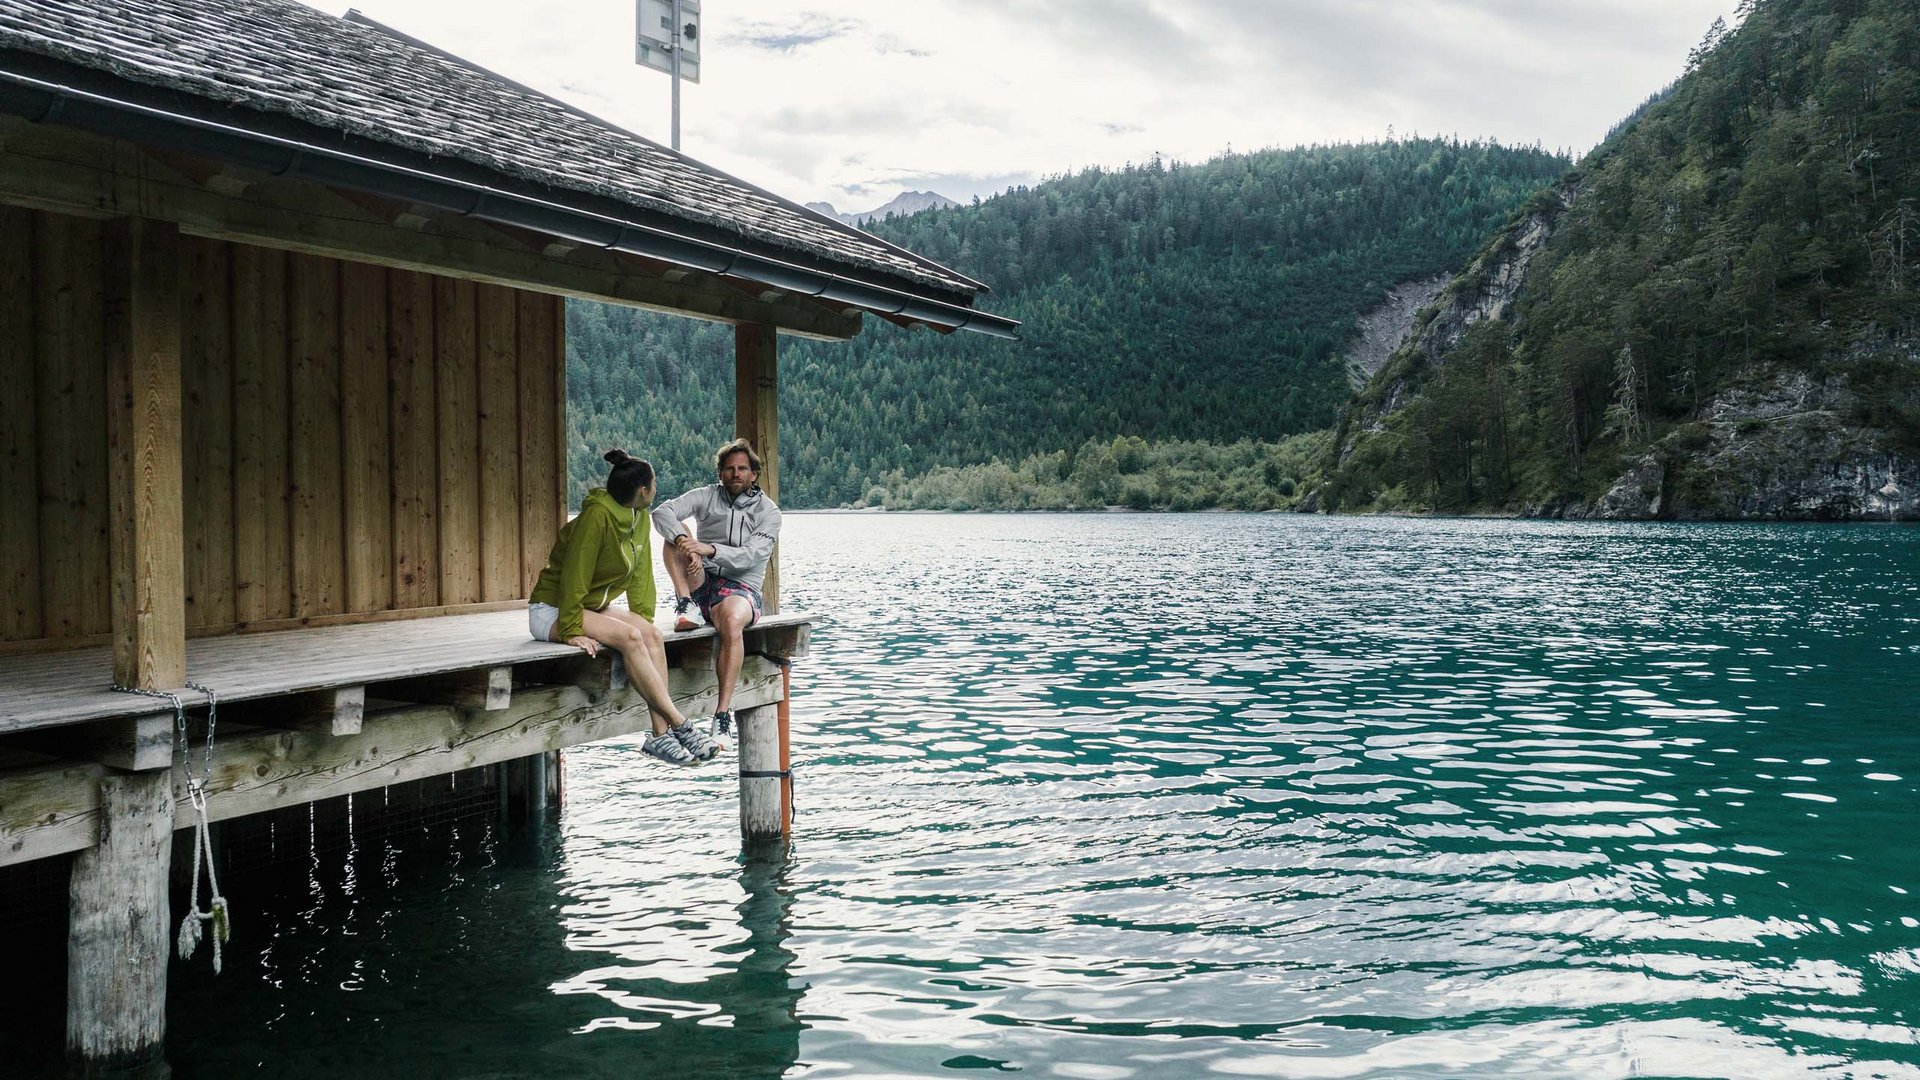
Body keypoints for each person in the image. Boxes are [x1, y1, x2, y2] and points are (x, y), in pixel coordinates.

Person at [528, 449, 720, 767]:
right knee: (630, 638)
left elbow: (641, 574)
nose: (656, 490)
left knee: (649, 636)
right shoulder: (596, 517)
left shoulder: (638, 516)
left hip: (592, 605)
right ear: (643, 490)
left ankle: (660, 736)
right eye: (654, 485)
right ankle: (680, 724)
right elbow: (575, 575)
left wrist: (642, 620)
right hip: (552, 609)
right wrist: (571, 630)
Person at [653, 437, 782, 735]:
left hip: (741, 587)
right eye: (729, 469)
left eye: (742, 469)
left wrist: (708, 549)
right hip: (702, 579)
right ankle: (686, 606)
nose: (736, 474)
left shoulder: (769, 512)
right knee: (675, 533)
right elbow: (661, 512)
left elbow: (752, 556)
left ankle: (721, 714)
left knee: (732, 620)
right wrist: (686, 543)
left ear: (753, 474)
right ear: (720, 473)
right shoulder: (706, 495)